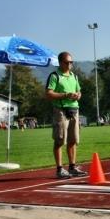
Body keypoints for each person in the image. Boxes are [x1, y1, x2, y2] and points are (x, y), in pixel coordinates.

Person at [45, 51, 88, 179]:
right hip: (61, 110)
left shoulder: (74, 76)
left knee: (73, 139)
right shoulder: (54, 76)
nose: (70, 64)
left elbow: (79, 91)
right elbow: (48, 93)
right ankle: (59, 169)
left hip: (74, 109)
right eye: (67, 62)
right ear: (60, 63)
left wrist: (78, 95)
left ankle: (72, 167)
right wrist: (66, 95)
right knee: (60, 140)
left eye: (71, 62)